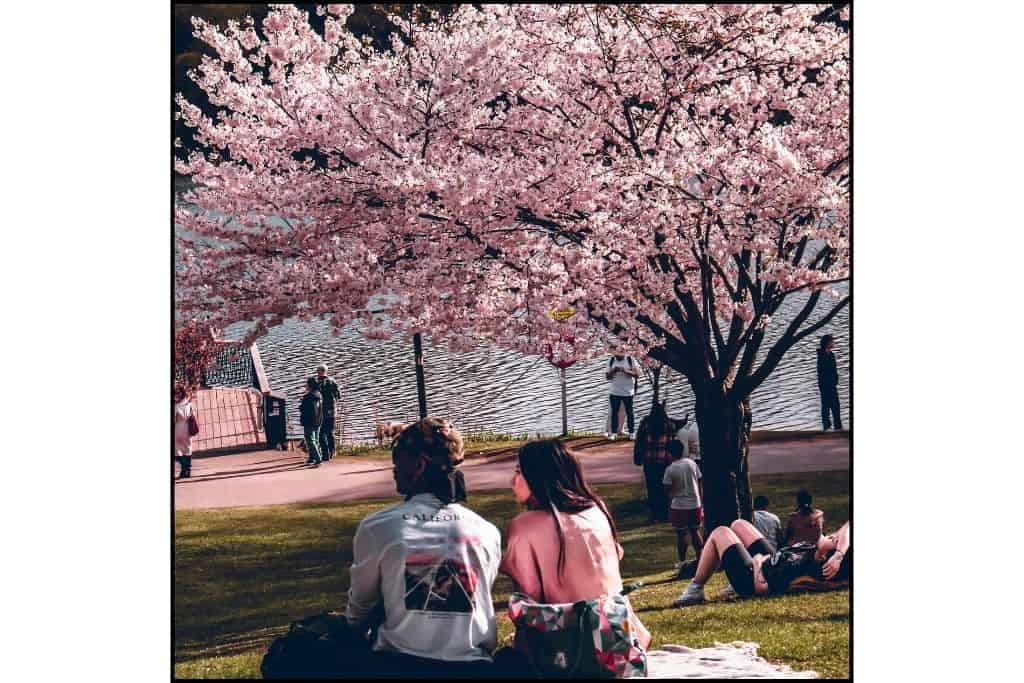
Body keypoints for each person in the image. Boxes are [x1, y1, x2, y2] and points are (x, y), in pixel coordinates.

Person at [335, 418, 502, 678]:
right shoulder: (487, 531)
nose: (393, 471)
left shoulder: (378, 527)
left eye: (397, 462)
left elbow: (360, 608)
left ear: (419, 465)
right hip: (474, 665)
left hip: (399, 663)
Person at [500, 439, 651, 668]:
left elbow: (529, 598)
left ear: (538, 476)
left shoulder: (524, 526)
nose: (513, 481)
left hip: (574, 651)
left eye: (519, 472)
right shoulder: (597, 509)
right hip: (622, 646)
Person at [674, 519, 850, 606]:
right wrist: (840, 553)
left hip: (752, 579)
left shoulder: (811, 567)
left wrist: (758, 562)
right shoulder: (819, 553)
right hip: (772, 561)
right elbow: (849, 526)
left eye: (835, 540)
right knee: (739, 524)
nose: (835, 536)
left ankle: (695, 589)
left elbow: (762, 588)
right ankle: (727, 577)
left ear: (826, 557)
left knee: (720, 532)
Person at [662, 440, 704, 573]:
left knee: (681, 535)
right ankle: (701, 558)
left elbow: (666, 489)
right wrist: (700, 500)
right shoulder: (691, 463)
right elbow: (699, 481)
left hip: (679, 506)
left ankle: (682, 561)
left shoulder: (670, 469)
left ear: (669, 453)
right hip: (695, 503)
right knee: (695, 531)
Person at [633, 402, 675, 523]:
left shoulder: (646, 424)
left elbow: (639, 443)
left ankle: (654, 515)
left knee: (652, 489)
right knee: (664, 488)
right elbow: (671, 443)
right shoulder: (669, 425)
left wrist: (638, 458)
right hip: (664, 462)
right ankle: (665, 514)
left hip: (649, 462)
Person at [605, 352, 639, 439]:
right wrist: (614, 370)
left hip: (628, 392)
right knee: (614, 413)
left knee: (630, 413)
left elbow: (637, 374)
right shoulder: (611, 360)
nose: (617, 355)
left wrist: (625, 371)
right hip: (614, 392)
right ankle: (613, 433)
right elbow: (607, 377)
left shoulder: (630, 360)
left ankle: (631, 432)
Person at [312, 363, 341, 461]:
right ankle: (332, 452)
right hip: (332, 412)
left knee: (321, 434)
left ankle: (325, 454)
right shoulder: (333, 381)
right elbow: (338, 396)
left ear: (319, 372)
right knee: (330, 433)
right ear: (326, 371)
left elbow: (315, 397)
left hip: (321, 412)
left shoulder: (317, 383)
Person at [816, 335, 843, 431]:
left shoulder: (831, 355)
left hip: (832, 384)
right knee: (826, 405)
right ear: (827, 343)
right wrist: (825, 383)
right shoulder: (821, 355)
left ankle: (838, 426)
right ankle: (826, 426)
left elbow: (834, 370)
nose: (833, 343)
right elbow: (821, 371)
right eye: (832, 342)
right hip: (825, 385)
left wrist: (835, 380)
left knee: (836, 405)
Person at [299, 379, 323, 467]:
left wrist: (301, 405)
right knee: (315, 440)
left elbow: (304, 409)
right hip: (318, 420)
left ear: (310, 386)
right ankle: (311, 459)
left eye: (307, 384)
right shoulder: (319, 395)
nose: (305, 386)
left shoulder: (307, 397)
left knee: (309, 440)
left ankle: (318, 459)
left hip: (309, 421)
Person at [173, 385, 194, 479]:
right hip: (187, 429)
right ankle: (187, 471)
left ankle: (184, 468)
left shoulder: (176, 406)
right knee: (187, 449)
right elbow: (191, 415)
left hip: (178, 429)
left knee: (177, 451)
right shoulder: (188, 404)